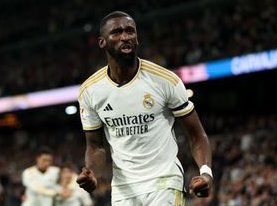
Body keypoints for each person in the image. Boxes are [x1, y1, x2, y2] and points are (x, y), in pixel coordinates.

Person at [76, 11, 213, 205]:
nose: (125, 37)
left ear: (137, 39)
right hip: (123, 190)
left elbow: (197, 135)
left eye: (130, 31)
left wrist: (206, 173)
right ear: (102, 42)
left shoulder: (165, 80)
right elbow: (96, 146)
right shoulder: (90, 91)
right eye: (116, 32)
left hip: (164, 182)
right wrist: (92, 173)